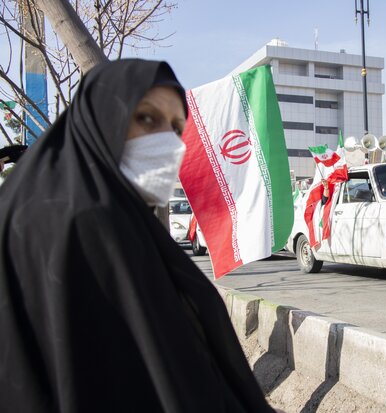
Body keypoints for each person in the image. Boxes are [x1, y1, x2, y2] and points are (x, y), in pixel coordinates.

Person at [0, 59, 276, 412]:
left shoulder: (93, 210)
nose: (167, 142)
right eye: (147, 118)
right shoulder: (84, 221)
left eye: (177, 129)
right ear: (101, 118)